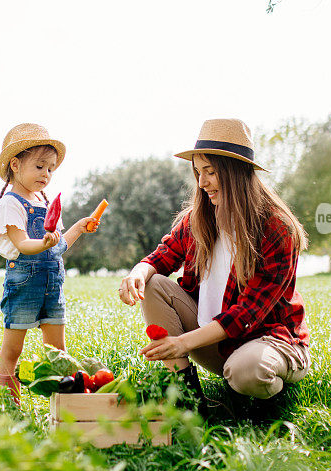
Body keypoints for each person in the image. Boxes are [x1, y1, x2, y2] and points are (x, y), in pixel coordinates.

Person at [118, 118, 311, 408]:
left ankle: (264, 400)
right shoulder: (198, 219)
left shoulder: (277, 228)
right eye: (197, 172)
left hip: (269, 341)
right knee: (154, 282)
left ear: (235, 172)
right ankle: (188, 400)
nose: (201, 182)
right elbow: (161, 258)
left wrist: (182, 343)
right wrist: (137, 273)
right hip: (218, 343)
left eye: (210, 171)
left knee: (248, 371)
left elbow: (247, 314)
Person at [0, 123, 98, 403]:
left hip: (53, 283)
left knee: (57, 350)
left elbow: (58, 246)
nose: (46, 174)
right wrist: (44, 243)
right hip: (24, 283)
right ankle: (9, 401)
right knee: (13, 349)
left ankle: (63, 405)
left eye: (51, 168)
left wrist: (77, 227)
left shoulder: (45, 202)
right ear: (15, 165)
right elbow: (23, 243)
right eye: (40, 166)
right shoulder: (10, 204)